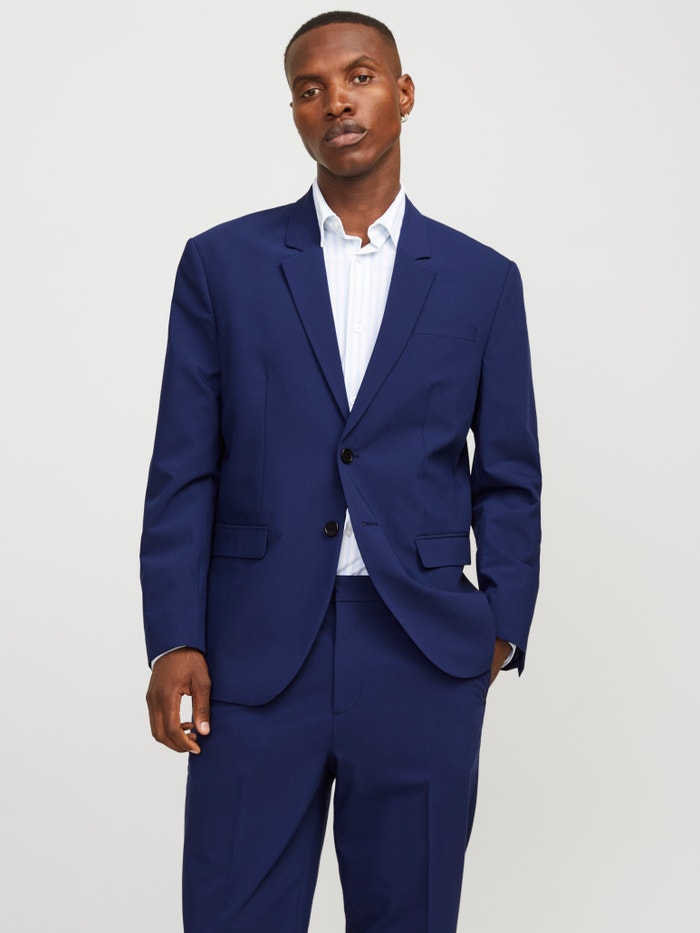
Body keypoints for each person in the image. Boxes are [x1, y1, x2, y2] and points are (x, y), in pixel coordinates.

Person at [141, 10, 541, 932]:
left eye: (359, 77)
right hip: (252, 652)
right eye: (311, 89)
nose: (337, 103)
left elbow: (509, 475)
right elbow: (183, 468)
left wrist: (499, 628)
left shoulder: (482, 280)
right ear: (294, 112)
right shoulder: (222, 265)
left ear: (404, 94)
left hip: (422, 651)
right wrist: (173, 638)